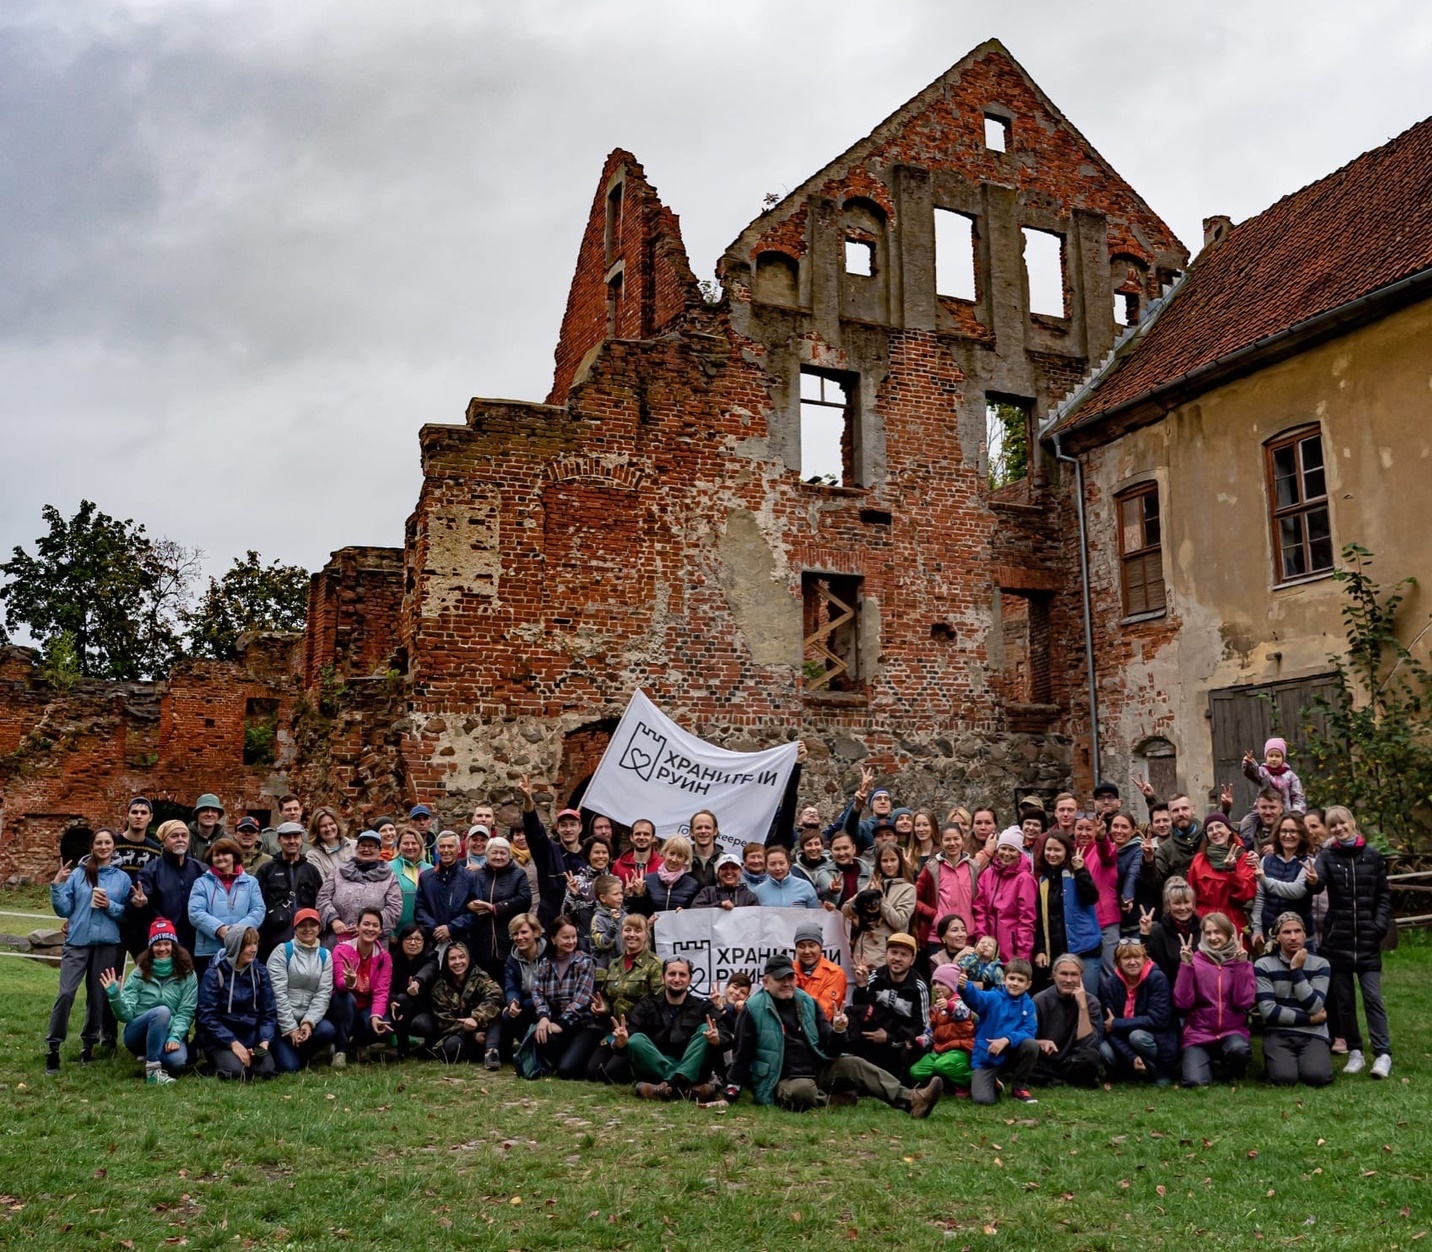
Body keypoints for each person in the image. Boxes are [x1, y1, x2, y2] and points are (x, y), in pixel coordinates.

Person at [725, 954, 942, 1116]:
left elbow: (831, 1048)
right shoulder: (753, 1009)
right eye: (780, 979)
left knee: (855, 1064)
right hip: (780, 1080)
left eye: (790, 977)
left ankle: (911, 1100)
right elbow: (741, 1054)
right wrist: (731, 1093)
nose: (787, 983)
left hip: (817, 1068)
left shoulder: (807, 1002)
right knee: (803, 1091)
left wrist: (839, 1030)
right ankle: (833, 1100)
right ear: (765, 982)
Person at [1314, 805, 1392, 1078]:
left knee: (1373, 999)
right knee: (1344, 1002)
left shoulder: (1373, 857)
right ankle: (1356, 1051)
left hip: (1368, 942)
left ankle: (1382, 1053)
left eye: (1341, 823)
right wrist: (1312, 879)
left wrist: (1378, 925)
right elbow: (1317, 883)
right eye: (1332, 825)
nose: (1338, 828)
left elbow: (1383, 895)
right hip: (1339, 942)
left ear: (1352, 823)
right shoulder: (1327, 856)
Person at [615, 957, 729, 1100]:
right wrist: (620, 1042)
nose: (676, 979)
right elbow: (627, 1039)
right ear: (663, 977)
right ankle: (686, 1089)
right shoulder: (647, 1005)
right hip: (657, 1066)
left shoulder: (703, 1006)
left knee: (706, 1029)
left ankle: (666, 1088)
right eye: (671, 974)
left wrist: (716, 1039)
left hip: (691, 1066)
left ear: (690, 979)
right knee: (636, 1039)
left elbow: (727, 1036)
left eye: (682, 975)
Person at [100, 916, 197, 1084]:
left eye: (167, 944)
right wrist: (115, 995)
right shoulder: (138, 973)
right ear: (151, 947)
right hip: (137, 1034)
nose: (162, 949)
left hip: (168, 1032)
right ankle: (153, 1071)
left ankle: (153, 1053)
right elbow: (126, 1015)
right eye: (157, 944)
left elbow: (186, 1011)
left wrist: (175, 1036)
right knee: (162, 1011)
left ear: (174, 946)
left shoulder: (188, 975)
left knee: (178, 1061)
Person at [1173, 911, 1256, 1086]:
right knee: (1194, 1082)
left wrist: (1241, 966)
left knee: (1239, 1050)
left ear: (1228, 934)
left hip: (1231, 1031)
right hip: (1199, 1033)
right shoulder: (1194, 960)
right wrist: (1186, 966)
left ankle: (1234, 1070)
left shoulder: (1241, 961)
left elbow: (1244, 1002)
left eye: (1218, 932)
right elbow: (1182, 1002)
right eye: (1208, 933)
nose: (1213, 937)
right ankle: (1204, 1064)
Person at [1255, 912, 1333, 1087]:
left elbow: (1314, 1005)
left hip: (1313, 1033)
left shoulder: (1321, 964)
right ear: (1276, 937)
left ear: (1305, 935)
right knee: (1284, 1078)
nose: (1293, 937)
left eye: (1298, 931)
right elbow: (1269, 1011)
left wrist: (1296, 970)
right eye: (1286, 932)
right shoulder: (1263, 965)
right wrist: (1309, 1019)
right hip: (1278, 1031)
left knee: (1317, 1077)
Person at [524, 915, 601, 1081]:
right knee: (541, 1035)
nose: (571, 941)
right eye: (566, 937)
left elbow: (582, 1000)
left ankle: (581, 1056)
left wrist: (562, 1023)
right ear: (553, 939)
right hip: (557, 1022)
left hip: (583, 1025)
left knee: (566, 1071)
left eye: (573, 937)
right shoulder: (545, 964)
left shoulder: (584, 962)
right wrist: (543, 1017)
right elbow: (537, 993)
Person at [196, 925, 277, 1081]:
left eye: (255, 943)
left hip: (251, 1037)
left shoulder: (260, 972)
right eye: (247, 944)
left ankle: (243, 1061)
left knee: (267, 1071)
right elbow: (207, 1016)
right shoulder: (214, 974)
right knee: (236, 1072)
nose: (253, 949)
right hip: (220, 1039)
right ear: (235, 946)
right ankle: (211, 1067)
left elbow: (269, 1012)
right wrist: (232, 1043)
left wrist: (264, 1042)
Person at [958, 957, 1039, 1105]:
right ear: (1003, 979)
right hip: (987, 1056)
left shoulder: (1028, 1005)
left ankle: (1019, 1087)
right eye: (1011, 978)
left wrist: (1006, 1039)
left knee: (1031, 1045)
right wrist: (965, 987)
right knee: (983, 1100)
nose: (1015, 983)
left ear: (1028, 985)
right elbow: (976, 999)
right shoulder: (993, 997)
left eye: (1020, 980)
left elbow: (1029, 1030)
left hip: (1011, 1053)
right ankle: (994, 1082)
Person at [850, 932, 930, 1080]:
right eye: (893, 952)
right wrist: (861, 986)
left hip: (901, 1040)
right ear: (886, 954)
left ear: (912, 960)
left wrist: (890, 1039)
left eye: (904, 955)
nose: (897, 958)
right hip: (875, 1035)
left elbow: (921, 1027)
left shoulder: (919, 987)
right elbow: (861, 1011)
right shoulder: (874, 977)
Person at [1031, 830, 1101, 998]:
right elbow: (1041, 919)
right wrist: (1040, 949)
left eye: (1057, 850)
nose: (1052, 854)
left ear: (1066, 851)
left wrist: (1081, 871)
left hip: (1084, 947)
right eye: (1049, 850)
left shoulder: (1075, 873)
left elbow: (1092, 897)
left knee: (1087, 998)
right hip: (1057, 950)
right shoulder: (1043, 881)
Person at [266, 908, 337, 1072]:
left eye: (313, 925)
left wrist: (308, 1022)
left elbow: (323, 994)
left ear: (319, 929)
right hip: (282, 1021)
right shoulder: (282, 951)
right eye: (302, 925)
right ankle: (287, 1050)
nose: (308, 929)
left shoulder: (325, 956)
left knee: (327, 1030)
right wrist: (290, 1028)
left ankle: (302, 1052)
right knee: (289, 1068)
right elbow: (277, 994)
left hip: (306, 1017)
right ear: (295, 929)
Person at [1099, 940, 1176, 1084]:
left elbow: (1158, 1020)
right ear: (1118, 962)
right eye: (1126, 958)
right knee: (1104, 1050)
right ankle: (1130, 1072)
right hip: (1122, 1039)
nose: (1132, 962)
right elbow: (1108, 1027)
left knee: (1137, 1036)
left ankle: (1160, 1071)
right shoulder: (1109, 984)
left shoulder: (1157, 978)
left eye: (1137, 957)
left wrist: (1117, 1023)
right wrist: (1131, 1056)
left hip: (1157, 1037)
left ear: (1145, 959)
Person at [187, 838, 265, 977]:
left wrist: (237, 932)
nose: (220, 858)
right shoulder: (201, 883)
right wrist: (220, 929)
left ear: (234, 856)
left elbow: (258, 910)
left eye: (225, 854)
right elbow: (195, 912)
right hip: (209, 951)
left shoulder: (251, 882)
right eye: (216, 855)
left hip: (243, 949)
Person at [329, 908, 394, 1066]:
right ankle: (340, 1050)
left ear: (380, 930)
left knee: (384, 1025)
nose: (370, 929)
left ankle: (361, 1044)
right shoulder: (341, 950)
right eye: (366, 924)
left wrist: (376, 1016)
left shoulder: (384, 957)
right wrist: (349, 983)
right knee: (345, 998)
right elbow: (338, 983)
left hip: (365, 1007)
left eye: (375, 925)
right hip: (343, 1005)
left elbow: (381, 991)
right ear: (357, 927)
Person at [316, 829, 402, 945]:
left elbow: (394, 908)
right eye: (363, 846)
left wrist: (368, 927)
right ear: (356, 849)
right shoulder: (338, 871)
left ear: (380, 850)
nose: (366, 849)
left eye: (372, 846)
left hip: (374, 942)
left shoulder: (390, 877)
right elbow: (323, 897)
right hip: (337, 939)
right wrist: (333, 920)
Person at [136, 819, 206, 958]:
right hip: (164, 940)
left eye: (184, 835)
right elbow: (138, 906)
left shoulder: (201, 869)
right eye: (174, 836)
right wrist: (138, 904)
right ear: (164, 841)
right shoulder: (150, 872)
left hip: (196, 939)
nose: (180, 839)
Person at [468, 836, 533, 982]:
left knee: (509, 982)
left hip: (509, 940)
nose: (498, 856)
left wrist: (495, 908)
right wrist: (470, 905)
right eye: (494, 852)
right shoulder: (476, 876)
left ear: (509, 855)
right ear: (487, 854)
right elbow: (466, 897)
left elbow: (524, 900)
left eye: (503, 853)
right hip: (482, 941)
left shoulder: (518, 874)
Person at [1031, 955, 1103, 1088]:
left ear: (1081, 976)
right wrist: (1040, 1042)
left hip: (1072, 1060)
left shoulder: (1091, 1002)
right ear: (1054, 975)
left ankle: (1054, 1079)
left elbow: (1088, 1044)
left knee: (1091, 1057)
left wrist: (1082, 1006)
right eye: (1064, 974)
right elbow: (1030, 1039)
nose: (1069, 980)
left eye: (1074, 975)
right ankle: (1061, 1079)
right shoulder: (1039, 1000)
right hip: (1047, 1059)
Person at [254, 822, 323, 959]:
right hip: (274, 937)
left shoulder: (311, 870)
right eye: (287, 837)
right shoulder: (266, 870)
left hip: (306, 934)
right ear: (279, 840)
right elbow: (258, 903)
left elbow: (320, 902)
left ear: (301, 839)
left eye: (296, 837)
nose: (292, 841)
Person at [1251, 814, 1318, 952]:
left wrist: (1265, 880)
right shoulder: (1266, 861)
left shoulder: (1309, 863)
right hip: (1271, 935)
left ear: (1301, 835)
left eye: (1293, 831)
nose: (1288, 836)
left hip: (1301, 938)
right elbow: (1260, 897)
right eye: (1284, 831)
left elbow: (1296, 891)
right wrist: (1257, 929)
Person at [431, 941, 503, 1064]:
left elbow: (497, 996)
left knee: (497, 1016)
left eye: (462, 957)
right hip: (460, 1033)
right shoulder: (439, 987)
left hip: (484, 1029)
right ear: (446, 962)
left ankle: (491, 1053)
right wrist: (472, 1034)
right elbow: (443, 1022)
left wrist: (476, 1018)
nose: (458, 962)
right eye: (452, 959)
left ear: (468, 958)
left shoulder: (480, 977)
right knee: (453, 1048)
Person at [973, 829, 1036, 963]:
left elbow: (1026, 919)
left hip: (1011, 949)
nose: (1006, 854)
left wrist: (1022, 956)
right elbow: (980, 910)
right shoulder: (988, 874)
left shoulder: (1024, 879)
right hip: (987, 948)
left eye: (1012, 850)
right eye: (1003, 848)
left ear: (1019, 853)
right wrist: (981, 940)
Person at [493, 913, 547, 1069]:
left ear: (535, 932)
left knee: (528, 1005)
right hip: (525, 1002)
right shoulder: (512, 959)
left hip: (548, 1003)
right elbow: (511, 986)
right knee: (507, 1014)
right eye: (515, 934)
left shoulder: (549, 953)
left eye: (524, 932)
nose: (519, 937)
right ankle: (515, 1051)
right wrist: (512, 1002)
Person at [915, 822, 981, 949]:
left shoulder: (974, 868)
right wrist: (933, 915)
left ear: (963, 840)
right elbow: (913, 898)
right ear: (941, 842)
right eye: (947, 839)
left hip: (967, 937)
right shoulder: (931, 868)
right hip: (938, 937)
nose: (952, 843)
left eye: (956, 838)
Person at [908, 965, 974, 1092]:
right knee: (916, 1071)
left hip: (960, 1049)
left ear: (952, 985)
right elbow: (930, 1033)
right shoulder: (934, 1008)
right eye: (935, 983)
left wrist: (949, 1006)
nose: (937, 987)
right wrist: (919, 1041)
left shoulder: (962, 1000)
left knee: (942, 1065)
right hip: (939, 1051)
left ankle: (972, 1082)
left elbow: (964, 1012)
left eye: (942, 983)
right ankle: (946, 1084)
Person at [1187, 813, 1257, 924]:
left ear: (1229, 830)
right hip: (1204, 919)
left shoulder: (1245, 859)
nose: (1215, 832)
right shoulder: (1199, 860)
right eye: (1210, 829)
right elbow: (1191, 894)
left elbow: (1245, 895)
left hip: (1232, 920)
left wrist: (1232, 872)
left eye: (1219, 826)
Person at [387, 922, 440, 1057]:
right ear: (402, 941)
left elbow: (428, 971)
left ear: (424, 942)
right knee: (400, 1000)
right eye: (408, 939)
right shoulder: (394, 959)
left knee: (421, 1024)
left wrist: (417, 982)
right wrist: (392, 1000)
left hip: (426, 1009)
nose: (412, 943)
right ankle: (402, 1048)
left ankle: (429, 1047)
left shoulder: (431, 957)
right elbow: (388, 985)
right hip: (403, 1006)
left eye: (417, 939)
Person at [415, 831, 477, 947]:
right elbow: (419, 909)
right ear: (437, 849)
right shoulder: (426, 877)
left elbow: (475, 912)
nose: (446, 850)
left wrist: (451, 928)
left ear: (458, 849)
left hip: (461, 941)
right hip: (432, 940)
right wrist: (435, 928)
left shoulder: (470, 878)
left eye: (450, 846)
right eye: (442, 846)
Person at [1141, 876, 1199, 986]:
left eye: (1186, 902)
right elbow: (1148, 966)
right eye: (1177, 903)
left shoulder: (1204, 928)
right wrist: (1145, 935)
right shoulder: (1158, 932)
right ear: (1168, 906)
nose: (1182, 907)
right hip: (1169, 991)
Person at [793, 920, 847, 1022]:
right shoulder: (790, 970)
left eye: (812, 945)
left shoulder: (835, 973)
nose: (807, 951)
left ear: (820, 947)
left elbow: (823, 1014)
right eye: (801, 946)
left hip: (820, 1033)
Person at [636, 835, 702, 913]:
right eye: (671, 854)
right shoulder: (648, 880)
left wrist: (685, 914)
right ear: (664, 853)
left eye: (680, 856)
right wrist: (637, 895)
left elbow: (695, 914)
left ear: (686, 859)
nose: (674, 860)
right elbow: (637, 912)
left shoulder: (692, 885)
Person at [1243, 736, 1306, 814]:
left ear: (1283, 758)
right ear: (1266, 757)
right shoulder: (1262, 772)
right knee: (1247, 822)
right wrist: (1249, 764)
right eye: (1271, 756)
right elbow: (1252, 774)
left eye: (1277, 756)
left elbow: (1298, 796)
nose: (1274, 759)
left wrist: (1296, 813)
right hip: (1262, 812)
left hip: (1284, 814)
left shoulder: (1290, 776)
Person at [751, 845, 820, 908]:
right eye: (772, 864)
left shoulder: (805, 887)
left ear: (789, 864)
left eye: (782, 863)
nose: (778, 868)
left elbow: (815, 916)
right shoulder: (758, 891)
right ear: (766, 866)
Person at [391, 828, 432, 930]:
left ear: (420, 846)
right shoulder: (389, 868)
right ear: (398, 846)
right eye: (405, 843)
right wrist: (390, 932)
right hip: (397, 930)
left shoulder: (430, 869)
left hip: (425, 930)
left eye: (414, 843)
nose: (410, 847)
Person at [822, 831, 872, 910]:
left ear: (854, 849)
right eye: (837, 849)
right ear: (831, 851)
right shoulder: (825, 871)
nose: (842, 853)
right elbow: (826, 885)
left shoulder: (869, 871)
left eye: (845, 848)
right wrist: (833, 890)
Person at [692, 852, 760, 909]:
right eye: (724, 868)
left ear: (740, 871)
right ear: (718, 872)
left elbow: (756, 919)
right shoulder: (707, 893)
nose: (729, 871)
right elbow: (695, 910)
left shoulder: (750, 896)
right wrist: (719, 905)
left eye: (734, 868)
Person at [613, 818, 663, 895]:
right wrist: (626, 895)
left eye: (646, 834)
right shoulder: (618, 865)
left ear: (653, 838)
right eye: (638, 834)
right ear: (631, 837)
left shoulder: (662, 864)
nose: (641, 837)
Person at [305, 807, 355, 882]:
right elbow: (323, 885)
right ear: (316, 830)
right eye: (323, 826)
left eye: (331, 824)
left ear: (337, 824)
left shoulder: (356, 845)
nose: (328, 828)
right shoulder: (313, 856)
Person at [188, 794, 226, 861]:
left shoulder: (226, 840)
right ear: (197, 814)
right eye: (204, 810)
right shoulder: (186, 838)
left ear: (218, 816)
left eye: (214, 811)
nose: (209, 814)